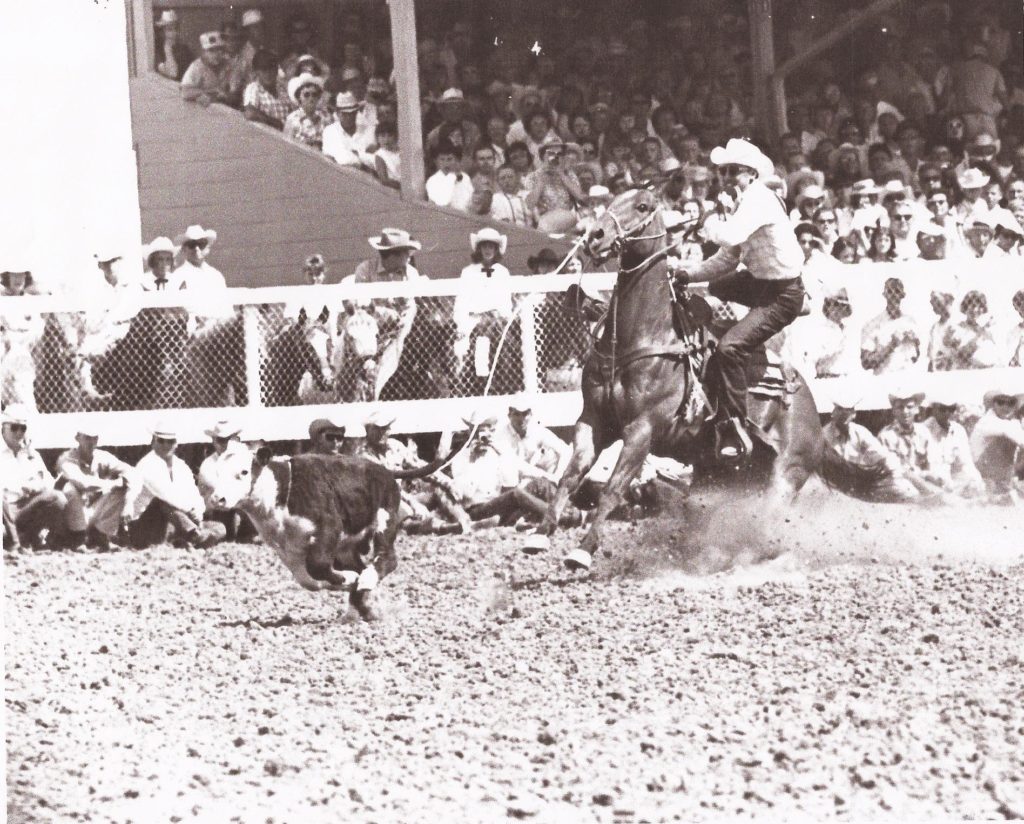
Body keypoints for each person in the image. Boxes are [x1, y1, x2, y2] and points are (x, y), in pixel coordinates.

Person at [673, 138, 805, 460]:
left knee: (730, 348)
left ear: (751, 175)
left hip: (781, 295)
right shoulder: (741, 205)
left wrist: (707, 219)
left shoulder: (759, 199)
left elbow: (728, 236)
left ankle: (734, 425)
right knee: (717, 287)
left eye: (734, 172)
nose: (727, 177)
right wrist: (688, 274)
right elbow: (727, 260)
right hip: (760, 282)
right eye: (724, 172)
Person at [337, 229, 422, 402]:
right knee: (355, 329)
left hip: (401, 326)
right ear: (393, 255)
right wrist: (384, 312)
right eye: (405, 253)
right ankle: (351, 383)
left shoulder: (410, 273)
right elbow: (362, 304)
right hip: (372, 325)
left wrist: (400, 319)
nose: (408, 257)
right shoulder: (366, 269)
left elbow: (410, 304)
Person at [360, 409, 472, 534]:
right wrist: (413, 503)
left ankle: (465, 521)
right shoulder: (364, 457)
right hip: (383, 503)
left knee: (438, 489)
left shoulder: (395, 447)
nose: (383, 433)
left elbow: (420, 468)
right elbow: (387, 489)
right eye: (378, 429)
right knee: (399, 513)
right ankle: (441, 527)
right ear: (368, 431)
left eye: (386, 428)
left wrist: (448, 483)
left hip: (404, 498)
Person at [122, 423, 226, 549]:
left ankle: (187, 538)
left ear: (176, 444)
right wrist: (191, 511)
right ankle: (194, 536)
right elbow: (167, 495)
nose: (166, 445)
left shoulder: (181, 466)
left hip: (175, 522)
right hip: (145, 526)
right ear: (153, 442)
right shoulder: (146, 465)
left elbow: (193, 494)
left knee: (220, 527)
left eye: (170, 441)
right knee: (162, 502)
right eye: (161, 441)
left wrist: (197, 511)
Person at [819, 387, 918, 502]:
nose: (845, 414)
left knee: (906, 490)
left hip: (859, 483)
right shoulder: (824, 436)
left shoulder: (859, 432)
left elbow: (882, 455)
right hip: (833, 486)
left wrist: (895, 473)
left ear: (854, 414)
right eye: (840, 409)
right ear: (834, 413)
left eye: (849, 410)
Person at [56, 424, 133, 552]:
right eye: (87, 438)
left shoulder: (102, 456)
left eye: (94, 438)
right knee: (68, 487)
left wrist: (129, 502)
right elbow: (84, 484)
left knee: (122, 488)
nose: (91, 442)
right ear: (77, 438)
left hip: (93, 510)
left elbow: (131, 472)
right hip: (71, 516)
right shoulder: (66, 459)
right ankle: (78, 539)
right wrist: (113, 483)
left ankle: (101, 535)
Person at [2, 406, 67, 554]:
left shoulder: (31, 455)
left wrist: (36, 487)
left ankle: (28, 538)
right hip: (5, 510)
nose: (19, 433)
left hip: (25, 507)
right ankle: (15, 544)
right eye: (14, 427)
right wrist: (20, 486)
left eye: (23, 428)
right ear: (4, 427)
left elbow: (49, 482)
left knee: (58, 499)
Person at [453, 228, 513, 383]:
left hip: (496, 320)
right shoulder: (468, 272)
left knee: (504, 346)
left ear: (496, 249)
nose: (488, 250)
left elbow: (506, 301)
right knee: (463, 349)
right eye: (484, 246)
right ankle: (477, 381)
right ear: (479, 249)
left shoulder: (502, 272)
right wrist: (461, 326)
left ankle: (500, 382)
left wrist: (501, 316)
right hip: (473, 321)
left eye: (491, 246)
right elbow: (461, 301)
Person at [877, 389, 947, 496]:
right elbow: (897, 471)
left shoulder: (923, 432)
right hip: (899, 482)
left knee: (947, 485)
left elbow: (933, 460)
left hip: (922, 478)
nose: (905, 412)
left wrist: (934, 477)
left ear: (917, 410)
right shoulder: (886, 436)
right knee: (912, 491)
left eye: (909, 407)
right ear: (893, 411)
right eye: (900, 407)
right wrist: (925, 483)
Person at [492, 395, 571, 487]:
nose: (521, 419)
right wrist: (547, 476)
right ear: (509, 415)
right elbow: (518, 464)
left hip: (547, 474)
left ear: (531, 415)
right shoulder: (501, 436)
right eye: (517, 414)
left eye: (525, 414)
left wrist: (558, 475)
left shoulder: (537, 430)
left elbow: (566, 451)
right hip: (523, 478)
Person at [196, 421, 255, 542]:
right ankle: (233, 536)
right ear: (213, 440)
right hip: (218, 508)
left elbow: (248, 483)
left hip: (240, 504)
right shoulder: (208, 464)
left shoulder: (243, 457)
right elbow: (215, 489)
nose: (225, 444)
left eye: (228, 439)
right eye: (221, 440)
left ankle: (245, 534)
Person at [922, 389, 985, 498]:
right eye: (943, 409)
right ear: (933, 409)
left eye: (951, 409)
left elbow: (965, 464)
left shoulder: (958, 430)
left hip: (951, 485)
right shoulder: (922, 431)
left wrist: (976, 482)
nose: (947, 413)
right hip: (927, 485)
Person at [969, 386, 1024, 501]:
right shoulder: (987, 422)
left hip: (1000, 471)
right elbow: (1017, 438)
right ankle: (1000, 485)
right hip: (981, 471)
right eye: (1001, 402)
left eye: (1010, 403)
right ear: (993, 404)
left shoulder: (1011, 423)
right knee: (1007, 440)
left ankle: (1007, 484)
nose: (1005, 406)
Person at [860, 277, 922, 374]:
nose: (894, 295)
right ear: (885, 295)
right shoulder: (873, 325)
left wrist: (916, 342)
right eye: (890, 291)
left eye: (897, 291)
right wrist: (891, 346)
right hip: (884, 381)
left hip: (908, 380)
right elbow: (866, 363)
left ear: (902, 295)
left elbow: (915, 357)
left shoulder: (910, 322)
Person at [180, 32, 236, 107]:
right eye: (211, 50)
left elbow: (234, 91)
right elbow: (185, 92)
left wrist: (225, 95)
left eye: (219, 49)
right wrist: (208, 93)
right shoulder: (196, 66)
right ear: (203, 52)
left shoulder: (228, 64)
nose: (216, 54)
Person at [242, 49, 291, 130]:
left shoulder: (283, 89)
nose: (268, 74)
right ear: (257, 72)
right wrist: (275, 122)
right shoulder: (254, 88)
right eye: (264, 70)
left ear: (276, 70)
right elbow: (250, 113)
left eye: (272, 69)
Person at [322, 92, 373, 168]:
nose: (349, 117)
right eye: (345, 114)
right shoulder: (330, 131)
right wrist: (363, 156)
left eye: (352, 113)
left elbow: (376, 160)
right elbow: (343, 159)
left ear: (356, 113)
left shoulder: (368, 130)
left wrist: (357, 154)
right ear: (338, 113)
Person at [284, 73, 330, 150]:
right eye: (306, 95)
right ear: (299, 97)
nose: (311, 98)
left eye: (314, 95)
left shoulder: (324, 120)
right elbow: (286, 148)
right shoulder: (292, 120)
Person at [172, 225, 226, 290]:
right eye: (192, 244)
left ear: (207, 248)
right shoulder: (178, 276)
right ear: (184, 249)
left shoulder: (216, 276)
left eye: (201, 244)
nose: (197, 248)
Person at [426, 141, 474, 211]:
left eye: (449, 159)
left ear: (456, 160)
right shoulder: (432, 181)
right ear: (436, 161)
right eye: (442, 159)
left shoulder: (465, 177)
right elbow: (442, 202)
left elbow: (470, 199)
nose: (446, 163)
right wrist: (452, 178)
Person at [154, 10, 194, 82]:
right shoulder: (158, 51)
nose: (174, 33)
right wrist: (167, 48)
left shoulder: (184, 49)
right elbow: (172, 73)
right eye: (169, 30)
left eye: (176, 29)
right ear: (162, 33)